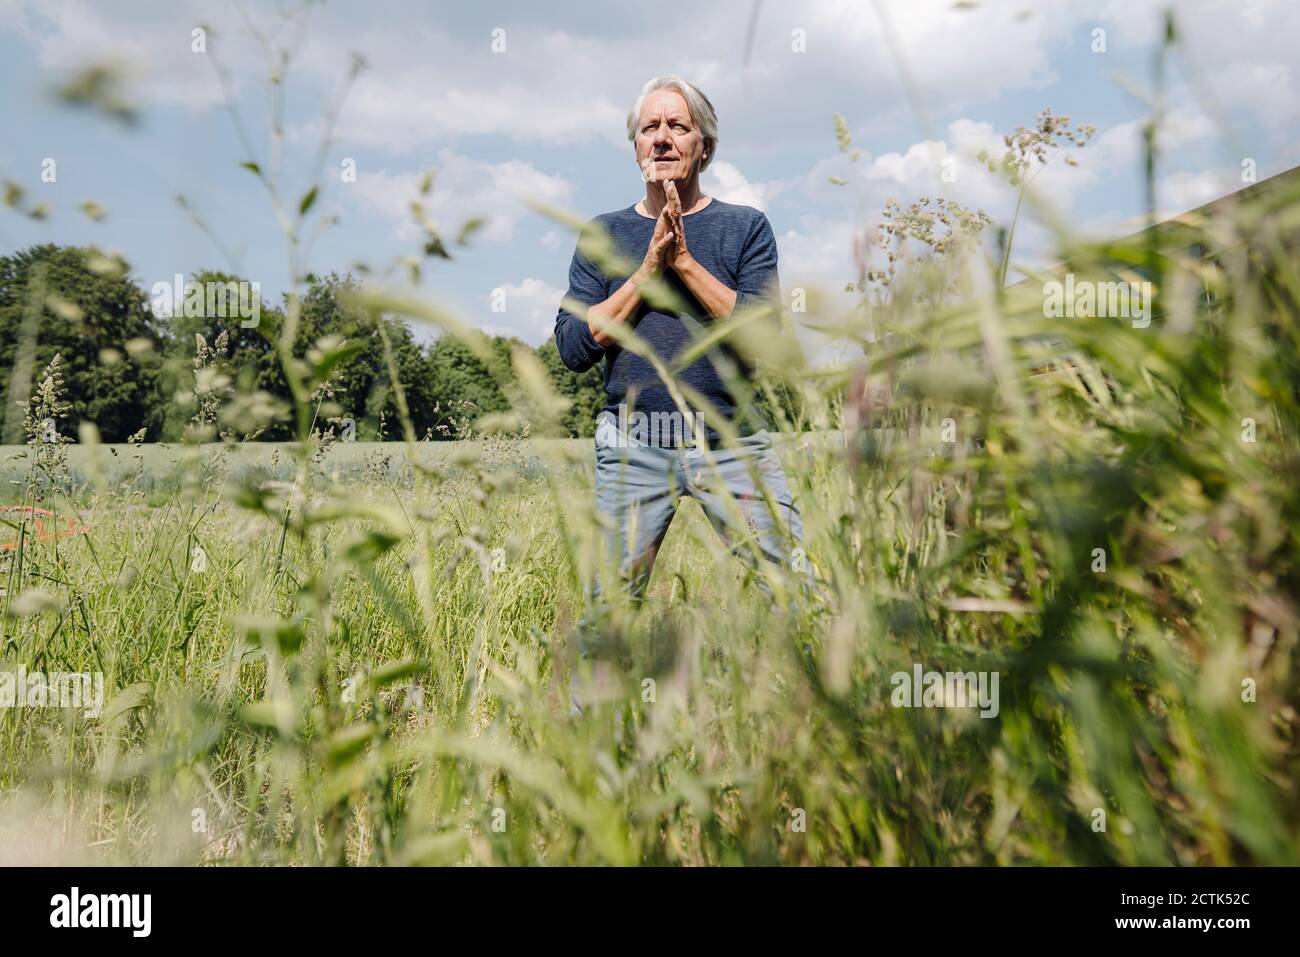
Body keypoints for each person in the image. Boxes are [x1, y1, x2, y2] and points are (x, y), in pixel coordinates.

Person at [553, 75, 812, 709]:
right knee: (608, 615)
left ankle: (824, 731)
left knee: (798, 591)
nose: (663, 137)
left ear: (703, 145)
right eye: (650, 127)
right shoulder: (603, 234)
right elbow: (574, 347)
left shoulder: (745, 227)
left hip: (732, 439)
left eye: (678, 126)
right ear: (635, 145)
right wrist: (646, 270)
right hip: (635, 444)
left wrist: (684, 261)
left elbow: (762, 337)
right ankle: (594, 756)